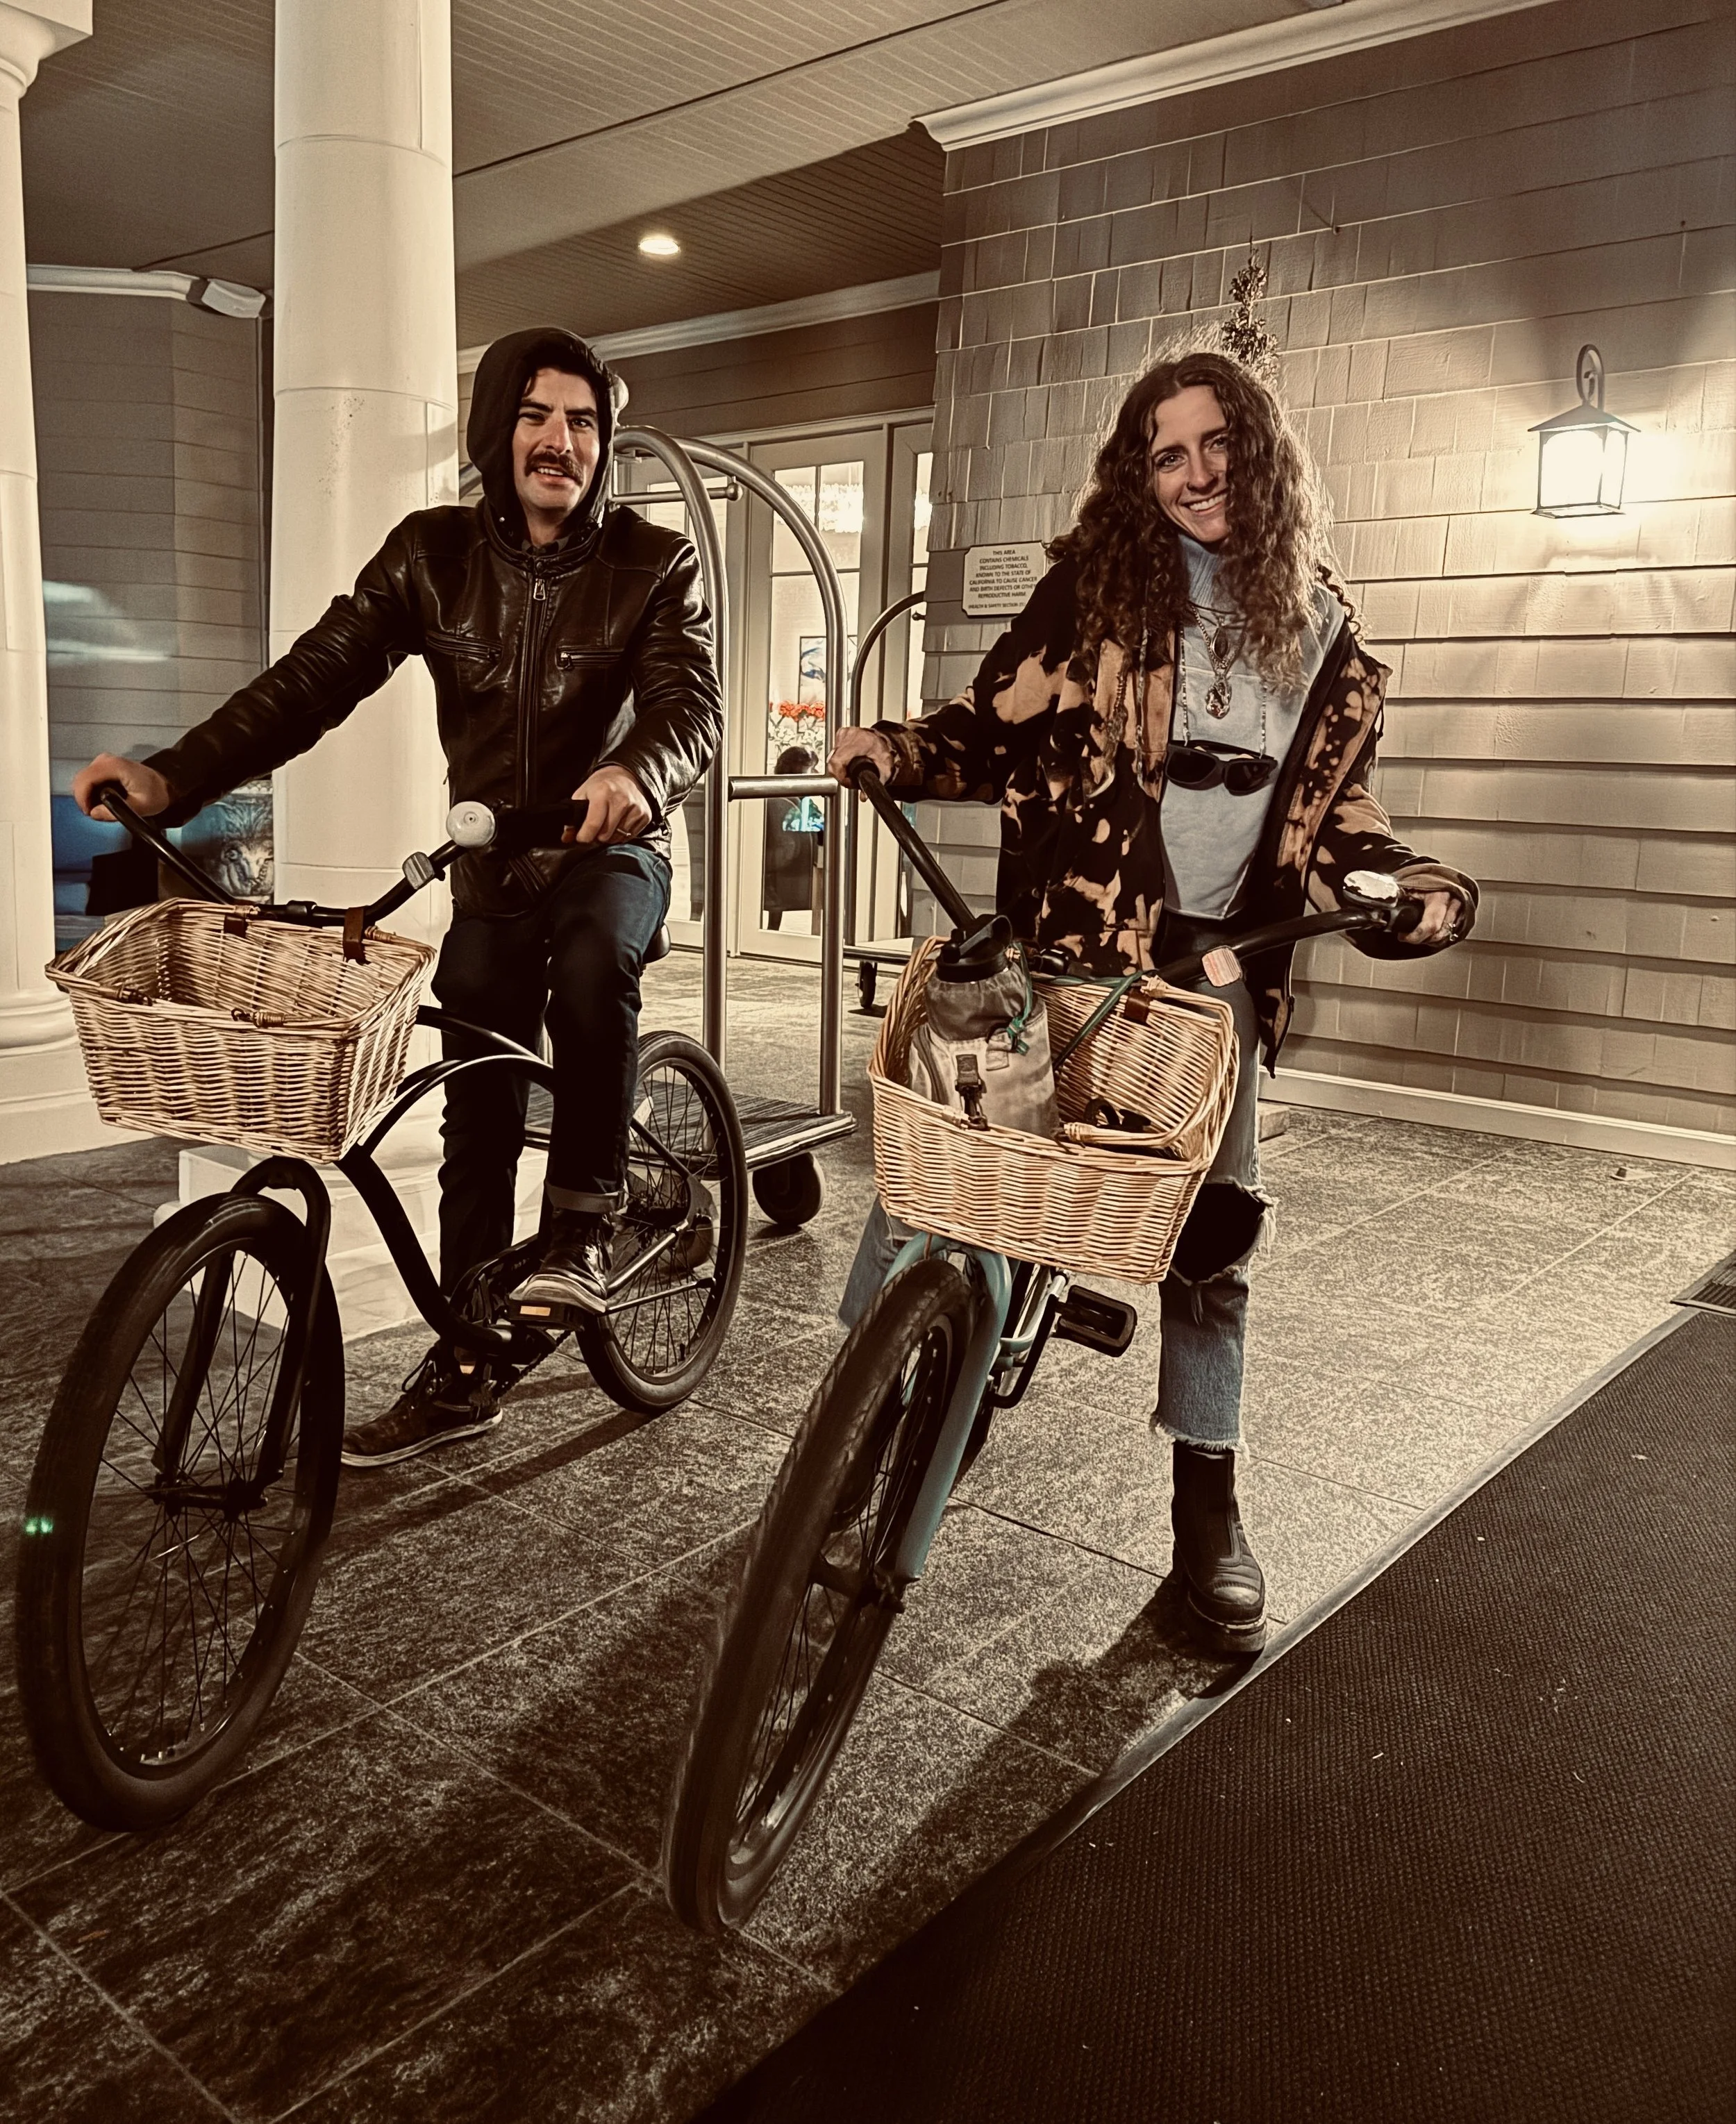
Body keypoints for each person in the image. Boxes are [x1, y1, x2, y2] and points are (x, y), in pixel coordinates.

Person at [829, 348, 1476, 1655]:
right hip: (1067, 942)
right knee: (960, 1175)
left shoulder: (1328, 640)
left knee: (1213, 1229)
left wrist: (1402, 881)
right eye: (1167, 453)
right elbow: (989, 725)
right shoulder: (1095, 593)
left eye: (1217, 444)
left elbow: (1342, 819)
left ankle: (1206, 1519)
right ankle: (867, 1419)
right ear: (1141, 471)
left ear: (1262, 452)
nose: (1196, 475)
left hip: (1210, 967)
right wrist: (889, 750)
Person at [73, 326, 722, 1466]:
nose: (558, 441)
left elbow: (692, 705)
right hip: (489, 867)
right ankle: (469, 1355)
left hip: (607, 849)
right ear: (493, 431)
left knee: (589, 959)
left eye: (581, 421)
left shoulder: (652, 562)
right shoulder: (432, 556)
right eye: (534, 416)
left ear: (603, 444)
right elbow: (313, 680)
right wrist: (172, 778)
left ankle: (585, 1216)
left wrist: (636, 772)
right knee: (470, 1086)